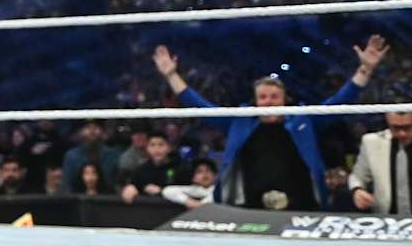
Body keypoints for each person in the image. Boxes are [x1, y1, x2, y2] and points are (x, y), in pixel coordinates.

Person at [157, 38, 387, 210]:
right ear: (255, 102)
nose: (269, 103)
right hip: (249, 205)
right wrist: (171, 76)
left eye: (274, 97)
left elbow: (340, 102)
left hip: (302, 205)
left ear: (284, 100)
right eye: (263, 98)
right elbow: (200, 106)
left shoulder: (302, 120)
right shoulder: (240, 122)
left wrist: (365, 69)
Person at [349, 110, 412, 215]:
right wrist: (357, 190)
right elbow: (358, 176)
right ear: (387, 122)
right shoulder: (371, 142)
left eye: (407, 127)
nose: (402, 133)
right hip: (386, 216)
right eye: (396, 128)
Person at [120, 133, 184, 204]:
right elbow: (133, 184)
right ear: (147, 148)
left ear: (169, 148)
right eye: (152, 145)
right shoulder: (141, 169)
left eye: (161, 145)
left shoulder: (180, 167)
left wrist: (162, 191)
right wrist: (131, 188)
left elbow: (186, 190)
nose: (157, 149)